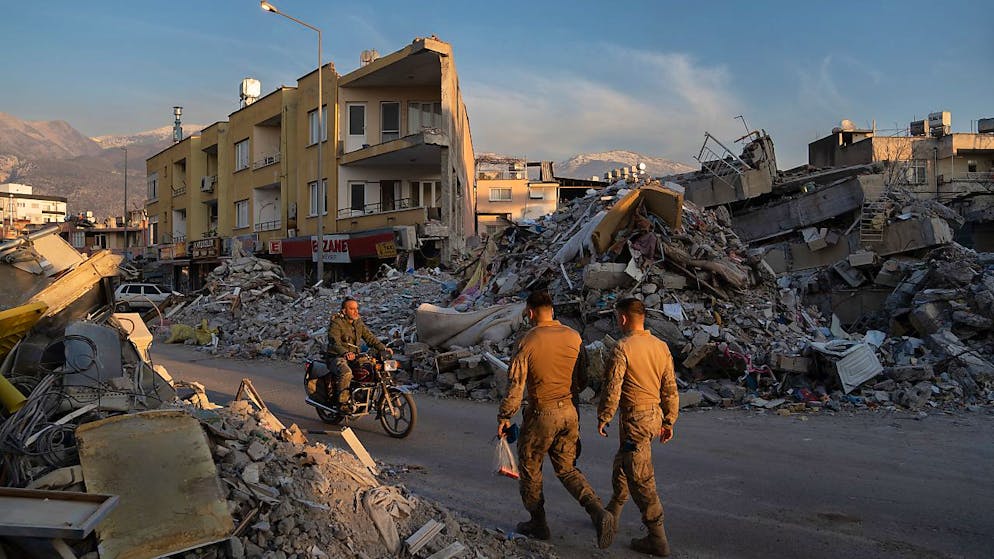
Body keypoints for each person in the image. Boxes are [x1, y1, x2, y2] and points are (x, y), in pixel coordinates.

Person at [497, 291, 615, 549]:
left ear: (530, 312)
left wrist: (505, 416)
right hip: (570, 412)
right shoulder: (573, 336)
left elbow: (516, 385)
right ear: (552, 309)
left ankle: (538, 523)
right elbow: (582, 377)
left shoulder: (528, 340)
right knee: (567, 468)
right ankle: (598, 511)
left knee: (530, 469)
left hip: (542, 413)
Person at [597, 297, 679, 557]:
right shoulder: (661, 346)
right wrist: (669, 420)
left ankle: (657, 537)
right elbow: (669, 387)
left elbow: (613, 387)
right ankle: (612, 513)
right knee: (623, 463)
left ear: (623, 318)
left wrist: (604, 416)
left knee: (641, 478)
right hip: (653, 416)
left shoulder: (623, 347)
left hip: (635, 419)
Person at [326, 297, 392, 406]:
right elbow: (334, 342)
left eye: (357, 308)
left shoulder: (358, 322)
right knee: (346, 372)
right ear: (344, 311)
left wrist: (383, 348)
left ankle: (363, 397)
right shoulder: (336, 323)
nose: (356, 311)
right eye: (352, 309)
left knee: (372, 369)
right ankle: (343, 402)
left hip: (354, 357)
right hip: (337, 357)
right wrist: (345, 353)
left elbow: (369, 337)